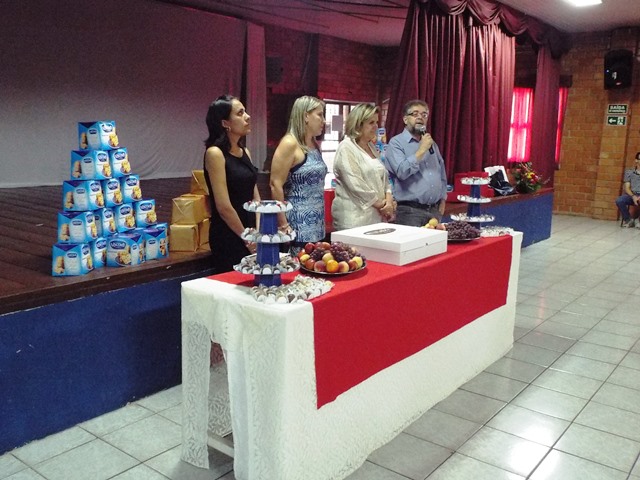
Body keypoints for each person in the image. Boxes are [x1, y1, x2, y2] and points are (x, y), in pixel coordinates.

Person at [203, 95, 260, 273]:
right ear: (225, 123)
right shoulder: (215, 153)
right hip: (230, 234)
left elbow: (256, 198)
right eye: (240, 113)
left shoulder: (245, 151)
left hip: (251, 232)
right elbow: (223, 207)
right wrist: (247, 238)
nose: (247, 117)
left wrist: (258, 233)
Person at [270, 95, 327, 252]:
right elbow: (275, 184)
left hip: (317, 223)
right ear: (306, 116)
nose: (323, 121)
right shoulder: (289, 143)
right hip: (297, 224)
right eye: (320, 115)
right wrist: (283, 224)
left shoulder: (314, 143)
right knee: (298, 265)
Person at [331, 103, 395, 230]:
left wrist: (389, 200)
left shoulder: (371, 147)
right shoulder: (346, 147)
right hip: (354, 220)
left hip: (376, 218)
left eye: (377, 122)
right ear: (358, 124)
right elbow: (356, 185)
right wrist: (382, 205)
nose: (376, 127)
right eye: (371, 123)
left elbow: (385, 179)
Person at [385, 99, 448, 227]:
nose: (420, 117)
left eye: (424, 115)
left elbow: (441, 172)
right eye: (415, 114)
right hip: (410, 212)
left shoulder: (431, 144)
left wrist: (443, 198)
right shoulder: (396, 143)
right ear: (405, 119)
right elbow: (402, 172)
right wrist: (422, 150)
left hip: (434, 210)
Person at [615, 151, 640, 228]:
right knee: (619, 200)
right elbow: (627, 188)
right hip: (632, 194)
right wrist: (633, 196)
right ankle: (628, 220)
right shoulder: (629, 172)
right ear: (636, 160)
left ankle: (639, 221)